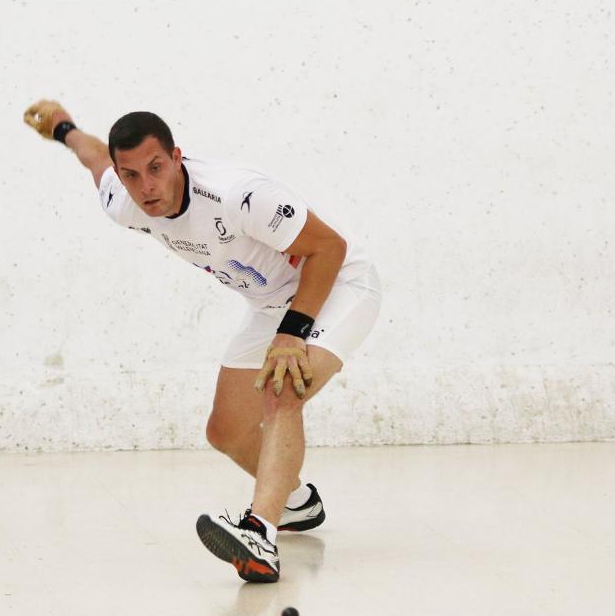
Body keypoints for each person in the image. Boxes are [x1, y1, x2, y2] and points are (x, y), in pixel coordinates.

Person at [23, 100, 381, 583]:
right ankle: (296, 504)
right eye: (132, 175)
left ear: (177, 157)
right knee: (226, 432)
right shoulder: (123, 202)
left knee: (283, 388)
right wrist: (63, 127)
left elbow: (329, 247)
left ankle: (259, 534)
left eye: (156, 168)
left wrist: (293, 334)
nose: (146, 187)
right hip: (270, 304)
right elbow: (95, 158)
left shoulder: (238, 196)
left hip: (338, 285)